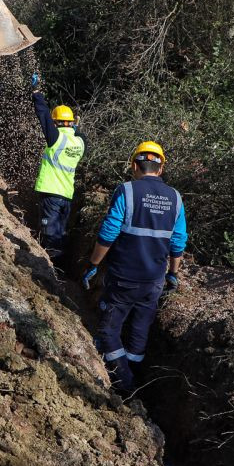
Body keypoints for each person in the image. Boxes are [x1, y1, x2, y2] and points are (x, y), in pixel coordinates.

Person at [82, 141, 187, 399]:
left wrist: (94, 264)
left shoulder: (127, 191)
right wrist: (172, 273)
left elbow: (109, 231)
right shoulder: (175, 197)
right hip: (153, 280)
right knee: (139, 329)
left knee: (108, 331)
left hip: (123, 277)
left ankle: (125, 384)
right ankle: (135, 377)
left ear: (134, 165)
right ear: (161, 169)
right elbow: (178, 240)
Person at [31, 73, 85, 265]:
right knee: (60, 231)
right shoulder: (80, 142)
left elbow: (43, 114)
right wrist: (75, 126)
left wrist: (36, 93)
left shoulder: (56, 138)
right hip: (66, 195)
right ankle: (61, 265)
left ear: (55, 122)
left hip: (51, 192)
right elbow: (77, 132)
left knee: (49, 232)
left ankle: (50, 267)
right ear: (71, 122)